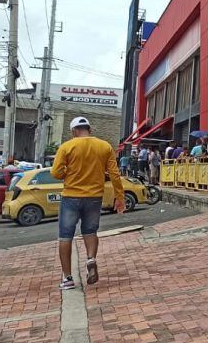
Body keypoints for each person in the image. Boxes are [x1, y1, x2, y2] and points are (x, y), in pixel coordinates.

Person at [51, 116, 125, 291]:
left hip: (71, 196)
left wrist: (67, 174)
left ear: (74, 131)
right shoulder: (104, 146)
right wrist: (119, 197)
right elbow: (114, 174)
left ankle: (68, 279)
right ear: (89, 130)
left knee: (65, 236)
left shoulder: (67, 147)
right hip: (94, 197)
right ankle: (91, 258)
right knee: (90, 231)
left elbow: (55, 172)